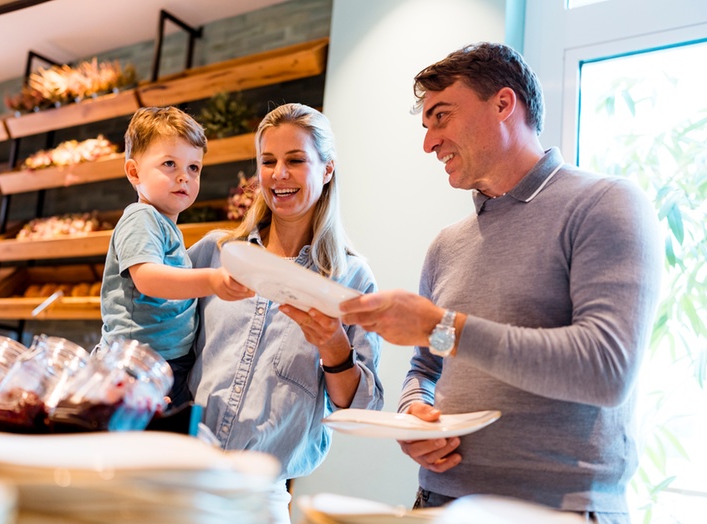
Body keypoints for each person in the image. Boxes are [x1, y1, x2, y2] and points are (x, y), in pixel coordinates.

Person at [339, 43, 662, 523]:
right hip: (436, 503)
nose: (429, 143)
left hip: (554, 511)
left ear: (504, 104)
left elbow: (606, 369)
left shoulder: (606, 204)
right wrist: (414, 416)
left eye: (441, 117)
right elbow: (425, 370)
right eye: (425, 126)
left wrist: (440, 326)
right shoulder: (446, 245)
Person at [187, 103, 384, 522]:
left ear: (327, 169)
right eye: (268, 161)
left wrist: (333, 345)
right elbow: (162, 333)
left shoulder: (351, 277)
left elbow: (359, 408)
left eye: (295, 160)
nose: (279, 174)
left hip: (260, 500)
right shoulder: (216, 251)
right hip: (180, 479)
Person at [99, 106, 253, 405]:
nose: (184, 176)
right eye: (170, 164)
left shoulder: (164, 225)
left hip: (164, 360)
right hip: (137, 364)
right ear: (134, 172)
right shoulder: (141, 217)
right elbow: (148, 279)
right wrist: (212, 280)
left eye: (194, 168)